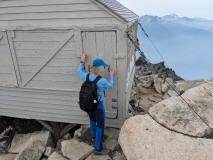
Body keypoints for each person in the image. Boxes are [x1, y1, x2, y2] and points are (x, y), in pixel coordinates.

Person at [77, 53, 114, 155]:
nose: (104, 68)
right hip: (98, 105)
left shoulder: (87, 76)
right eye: (103, 67)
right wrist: (111, 76)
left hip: (89, 105)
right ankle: (98, 148)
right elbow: (110, 86)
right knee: (100, 125)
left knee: (92, 120)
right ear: (100, 68)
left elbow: (79, 72)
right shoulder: (102, 81)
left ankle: (93, 135)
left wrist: (82, 61)